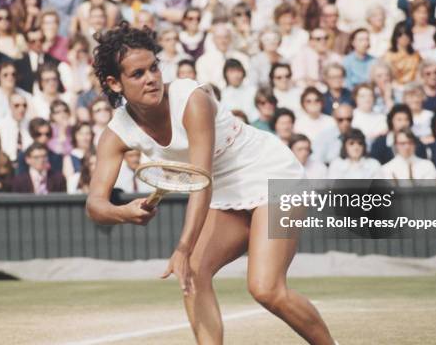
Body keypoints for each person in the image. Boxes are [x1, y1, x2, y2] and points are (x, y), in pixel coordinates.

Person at [86, 24, 336, 345]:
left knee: (266, 288)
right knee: (192, 274)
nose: (151, 78)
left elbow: (201, 181)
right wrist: (124, 212)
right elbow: (95, 205)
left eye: (153, 68)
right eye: (137, 74)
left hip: (272, 174)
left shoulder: (192, 99)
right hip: (225, 191)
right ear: (113, 83)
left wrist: (183, 246)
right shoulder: (116, 132)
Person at [219, 58, 258, 123]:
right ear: (225, 74)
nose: (236, 75)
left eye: (238, 71)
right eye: (232, 72)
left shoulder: (253, 91)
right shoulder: (222, 94)